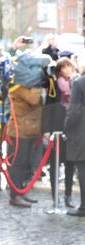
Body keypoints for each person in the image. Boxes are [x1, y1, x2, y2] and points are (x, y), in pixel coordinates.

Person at [43, 57, 77, 208]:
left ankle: (68, 195)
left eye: (68, 66)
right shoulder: (54, 84)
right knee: (54, 162)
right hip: (56, 126)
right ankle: (54, 194)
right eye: (63, 67)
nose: (67, 69)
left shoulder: (77, 83)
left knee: (70, 163)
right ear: (59, 70)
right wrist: (46, 130)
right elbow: (48, 107)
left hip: (72, 128)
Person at [65, 63, 85, 217]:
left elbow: (74, 110)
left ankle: (84, 207)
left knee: (83, 169)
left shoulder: (79, 83)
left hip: (81, 132)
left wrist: (66, 127)